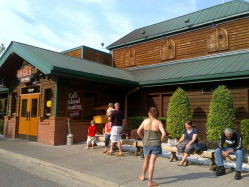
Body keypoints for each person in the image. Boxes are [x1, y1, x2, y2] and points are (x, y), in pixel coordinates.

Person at [137, 107, 166, 187]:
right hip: (155, 144)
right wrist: (160, 140)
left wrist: (143, 138)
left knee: (146, 160)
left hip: (146, 143)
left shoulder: (145, 121)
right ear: (156, 113)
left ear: (148, 113)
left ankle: (142, 176)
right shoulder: (158, 122)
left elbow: (138, 131)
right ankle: (150, 182)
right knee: (152, 162)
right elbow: (164, 133)